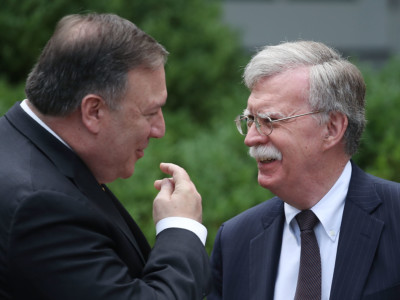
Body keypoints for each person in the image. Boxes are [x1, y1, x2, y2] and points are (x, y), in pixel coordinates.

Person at [0, 13, 211, 299]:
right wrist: (180, 227)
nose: (159, 129)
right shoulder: (41, 205)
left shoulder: (18, 146)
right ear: (93, 111)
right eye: (150, 113)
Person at [209, 41, 400, 300]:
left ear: (332, 128)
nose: (251, 138)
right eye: (251, 121)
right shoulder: (236, 239)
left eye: (269, 121)